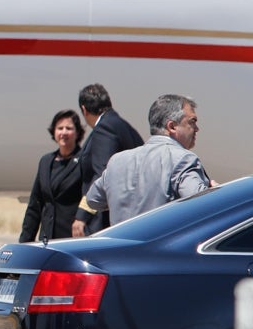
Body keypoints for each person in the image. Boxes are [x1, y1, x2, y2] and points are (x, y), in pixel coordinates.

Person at [71, 94, 212, 235]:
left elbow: (93, 200)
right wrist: (216, 191)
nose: (197, 128)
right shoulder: (183, 160)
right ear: (172, 126)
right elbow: (204, 207)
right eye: (192, 122)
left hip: (118, 253)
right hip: (158, 254)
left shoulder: (117, 160)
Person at [72, 83, 144, 234]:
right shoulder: (123, 126)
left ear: (84, 110)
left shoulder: (104, 129)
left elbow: (103, 174)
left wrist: (82, 215)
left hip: (105, 220)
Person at [19, 109, 85, 242]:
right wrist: (25, 241)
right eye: (60, 128)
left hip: (73, 239)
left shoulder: (84, 160)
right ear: (54, 132)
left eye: (69, 128)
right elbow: (35, 205)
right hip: (47, 239)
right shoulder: (46, 161)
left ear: (77, 133)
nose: (64, 132)